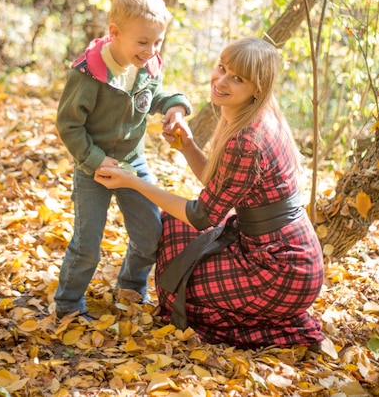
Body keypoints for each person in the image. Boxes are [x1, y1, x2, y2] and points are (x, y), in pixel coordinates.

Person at [95, 37, 325, 349]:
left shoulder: (247, 139)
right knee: (172, 228)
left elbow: (202, 215)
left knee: (175, 289)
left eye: (237, 78)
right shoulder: (250, 116)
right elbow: (218, 185)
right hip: (274, 251)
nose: (221, 80)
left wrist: (132, 181)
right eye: (222, 68)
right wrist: (187, 145)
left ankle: (275, 321)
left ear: (257, 88)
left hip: (281, 270)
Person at [54, 0, 192, 321]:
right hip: (94, 167)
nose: (150, 50)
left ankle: (131, 285)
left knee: (150, 234)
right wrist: (95, 159)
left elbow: (154, 97)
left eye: (157, 42)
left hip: (133, 163)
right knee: (87, 243)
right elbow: (68, 125)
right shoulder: (88, 74)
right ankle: (69, 305)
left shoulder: (147, 65)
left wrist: (174, 107)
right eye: (142, 42)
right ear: (114, 32)